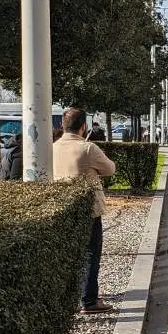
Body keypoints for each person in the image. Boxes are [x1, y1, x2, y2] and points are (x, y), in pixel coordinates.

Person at [53, 108, 117, 314]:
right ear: (83, 126)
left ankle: (70, 296)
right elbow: (110, 169)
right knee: (91, 253)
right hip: (88, 209)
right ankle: (89, 300)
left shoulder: (52, 147)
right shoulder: (87, 148)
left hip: (61, 206)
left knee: (68, 253)